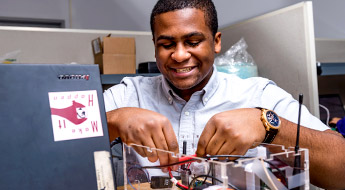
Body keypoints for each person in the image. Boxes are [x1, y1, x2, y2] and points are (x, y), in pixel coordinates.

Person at [104, 0, 345, 188]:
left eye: (193, 41)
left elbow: (341, 172)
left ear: (216, 42)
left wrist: (269, 126)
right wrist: (112, 121)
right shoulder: (127, 95)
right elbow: (66, 154)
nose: (179, 55)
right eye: (166, 45)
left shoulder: (259, 94)